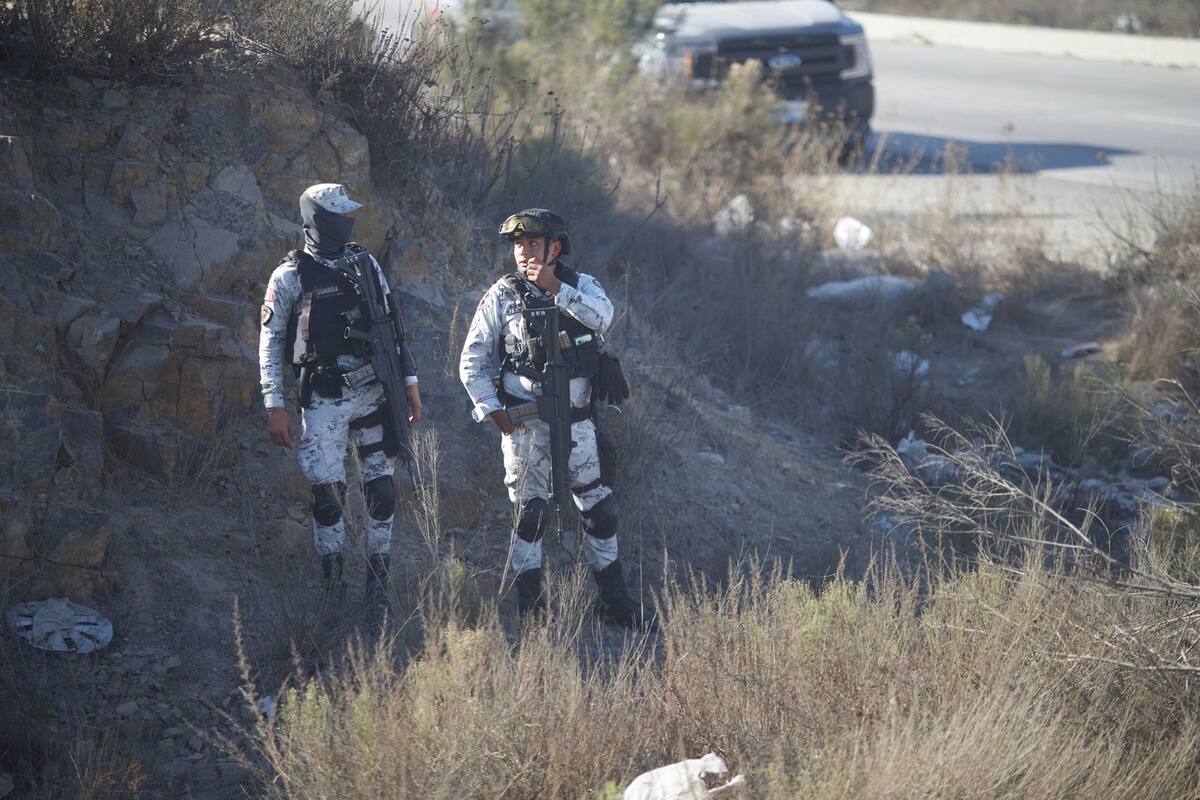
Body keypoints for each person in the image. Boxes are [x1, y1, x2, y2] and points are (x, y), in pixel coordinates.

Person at [458, 208, 648, 628]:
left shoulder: (582, 285)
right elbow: (472, 360)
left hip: (579, 424)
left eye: (532, 244)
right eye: (518, 245)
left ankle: (615, 604)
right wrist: (493, 410)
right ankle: (532, 614)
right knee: (530, 515)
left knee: (601, 511)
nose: (523, 252)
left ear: (554, 248)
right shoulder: (502, 294)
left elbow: (603, 317)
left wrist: (556, 288)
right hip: (525, 427)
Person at [258, 183, 421, 618]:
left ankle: (377, 587)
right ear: (318, 219)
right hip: (323, 397)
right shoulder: (289, 276)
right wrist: (275, 405)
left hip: (374, 393)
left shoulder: (365, 263)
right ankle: (333, 585)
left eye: (350, 214)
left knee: (382, 490)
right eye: (340, 215)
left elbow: (392, 324)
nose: (349, 221)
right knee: (328, 496)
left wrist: (409, 381)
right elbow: (270, 343)